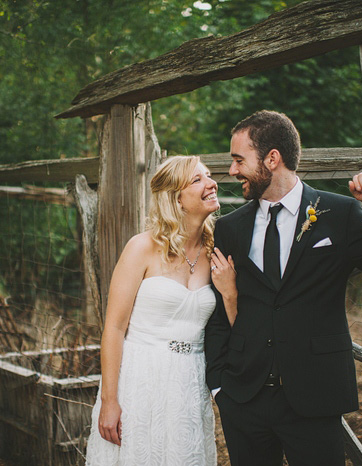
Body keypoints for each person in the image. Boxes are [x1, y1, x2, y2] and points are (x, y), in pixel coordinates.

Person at [205, 110, 362, 465]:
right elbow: (219, 312)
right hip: (244, 398)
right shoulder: (229, 228)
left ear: (272, 158)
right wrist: (221, 386)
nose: (232, 171)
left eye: (239, 160)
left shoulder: (340, 213)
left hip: (314, 397)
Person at [86, 155, 233, 466]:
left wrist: (230, 291)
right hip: (140, 379)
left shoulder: (216, 251)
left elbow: (231, 322)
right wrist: (109, 401)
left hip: (189, 382)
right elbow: (113, 328)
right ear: (175, 199)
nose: (211, 183)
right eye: (198, 180)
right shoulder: (141, 247)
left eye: (208, 176)